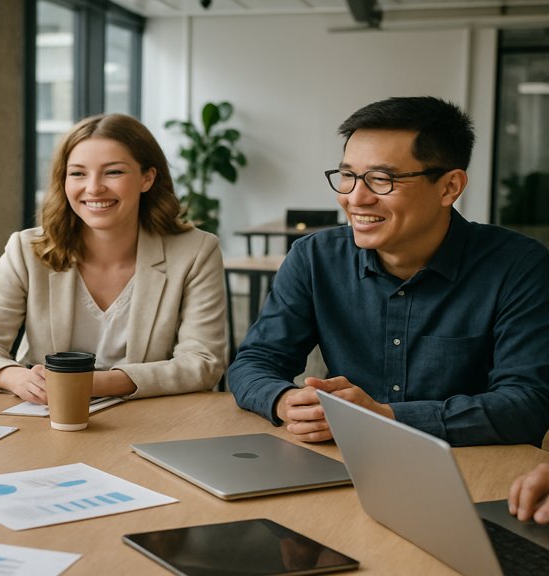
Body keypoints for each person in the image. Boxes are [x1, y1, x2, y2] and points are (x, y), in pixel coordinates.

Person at [228, 96, 549, 446]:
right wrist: (285, 401)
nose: (355, 198)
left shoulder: (519, 266)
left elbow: (527, 403)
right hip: (344, 457)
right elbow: (255, 362)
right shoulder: (314, 258)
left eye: (381, 179)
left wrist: (387, 418)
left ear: (449, 187)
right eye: (348, 176)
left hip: (472, 463)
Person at [0, 113, 227, 402]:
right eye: (78, 173)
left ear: (147, 178)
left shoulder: (196, 251)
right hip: (46, 414)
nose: (94, 188)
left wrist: (95, 384)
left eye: (113, 172)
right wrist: (16, 377)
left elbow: (203, 362)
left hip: (152, 413)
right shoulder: (26, 249)